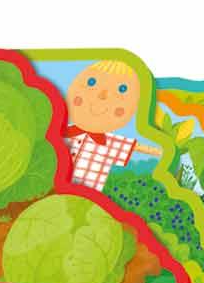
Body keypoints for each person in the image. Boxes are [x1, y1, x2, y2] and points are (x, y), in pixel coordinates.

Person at [64, 60, 161, 191]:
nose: (102, 95)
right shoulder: (58, 130)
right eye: (91, 82)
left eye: (122, 90)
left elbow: (140, 148)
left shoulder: (110, 144)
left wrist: (165, 152)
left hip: (85, 197)